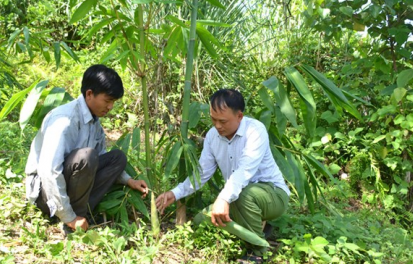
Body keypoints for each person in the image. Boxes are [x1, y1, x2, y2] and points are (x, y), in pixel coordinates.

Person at [155, 89, 290, 259]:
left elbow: (244, 171)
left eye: (223, 121)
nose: (217, 125)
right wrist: (175, 193)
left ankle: (257, 252)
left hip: (273, 195)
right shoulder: (213, 136)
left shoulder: (255, 131)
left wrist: (224, 198)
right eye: (213, 119)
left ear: (239, 116)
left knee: (243, 196)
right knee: (201, 221)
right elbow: (202, 173)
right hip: (236, 197)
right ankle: (258, 226)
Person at [25, 64, 148, 232]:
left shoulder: (94, 122)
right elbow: (49, 172)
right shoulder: (64, 120)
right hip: (44, 195)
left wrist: (129, 181)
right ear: (89, 94)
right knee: (87, 157)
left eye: (113, 102)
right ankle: (73, 218)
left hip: (69, 188)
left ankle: (79, 213)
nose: (110, 107)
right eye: (107, 100)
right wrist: (69, 217)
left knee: (117, 158)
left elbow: (101, 157)